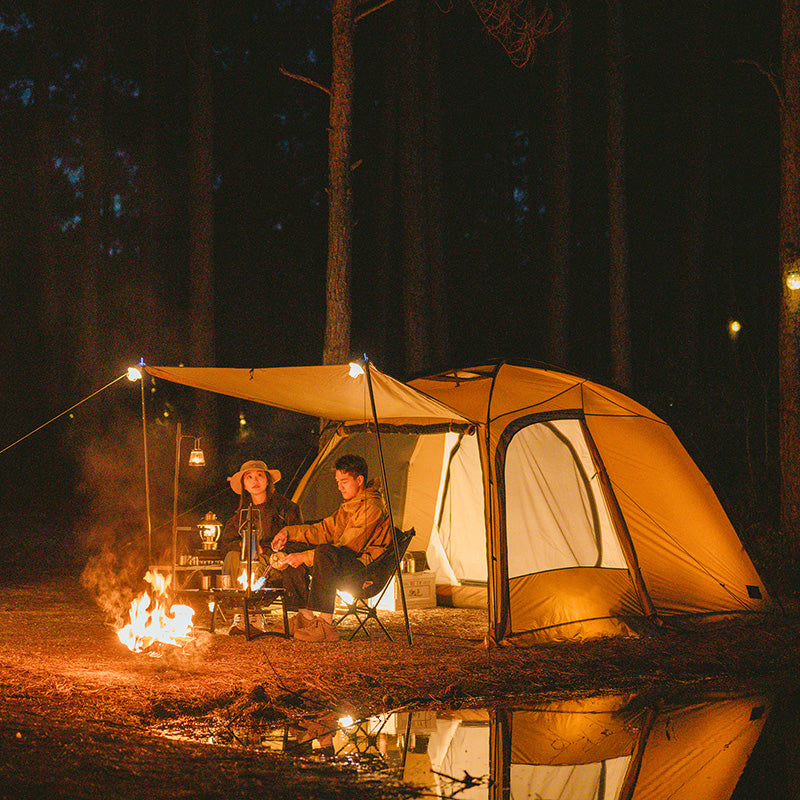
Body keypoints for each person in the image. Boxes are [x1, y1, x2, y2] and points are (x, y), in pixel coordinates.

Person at [271, 453, 392, 642]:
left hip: (365, 569)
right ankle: (305, 617)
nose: (339, 487)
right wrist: (289, 532)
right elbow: (324, 530)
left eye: (344, 481)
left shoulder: (372, 507)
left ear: (359, 480)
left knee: (324, 552)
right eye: (338, 482)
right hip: (344, 560)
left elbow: (349, 546)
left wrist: (305, 557)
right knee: (294, 547)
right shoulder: (351, 505)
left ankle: (326, 624)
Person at [218, 460, 308, 630]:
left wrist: (266, 550)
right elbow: (226, 543)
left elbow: (299, 538)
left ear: (268, 481)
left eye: (260, 476)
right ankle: (241, 610)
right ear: (244, 484)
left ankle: (253, 613)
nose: (255, 481)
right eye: (249, 477)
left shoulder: (286, 508)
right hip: (249, 561)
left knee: (254, 563)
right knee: (233, 557)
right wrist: (246, 545)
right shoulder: (241, 514)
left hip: (276, 560)